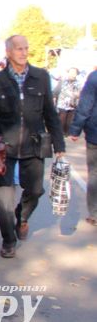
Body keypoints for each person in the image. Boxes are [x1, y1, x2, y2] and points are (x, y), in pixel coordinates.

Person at [0, 35, 65, 258]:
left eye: (26, 48)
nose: (23, 52)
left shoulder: (41, 77)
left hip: (34, 145)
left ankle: (21, 217)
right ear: (8, 52)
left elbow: (50, 113)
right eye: (19, 48)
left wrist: (59, 146)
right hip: (5, 147)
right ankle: (8, 241)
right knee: (3, 198)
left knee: (36, 190)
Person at [69, 69, 97, 226]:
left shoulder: (94, 78)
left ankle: (95, 214)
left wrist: (75, 129)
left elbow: (85, 106)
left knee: (94, 173)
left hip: (95, 134)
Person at [54, 67, 81, 136]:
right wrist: (54, 98)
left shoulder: (78, 83)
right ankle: (60, 133)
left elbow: (80, 93)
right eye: (71, 72)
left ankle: (66, 132)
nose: (73, 74)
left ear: (77, 74)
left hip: (72, 104)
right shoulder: (63, 81)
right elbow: (56, 91)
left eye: (74, 73)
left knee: (69, 121)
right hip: (62, 103)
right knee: (62, 119)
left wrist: (77, 95)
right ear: (68, 73)